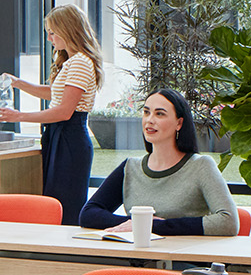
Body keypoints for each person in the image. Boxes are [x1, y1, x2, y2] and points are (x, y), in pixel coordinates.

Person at [0, 4, 103, 225]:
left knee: (65, 203)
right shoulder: (73, 61)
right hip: (62, 136)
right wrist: (18, 83)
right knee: (56, 199)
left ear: (68, 29)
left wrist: (19, 116)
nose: (50, 38)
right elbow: (56, 93)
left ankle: (63, 252)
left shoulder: (80, 62)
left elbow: (63, 112)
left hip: (69, 136)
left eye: (53, 32)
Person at [77, 88, 238, 236]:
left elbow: (228, 221)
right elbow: (88, 214)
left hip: (182, 261)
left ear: (179, 123)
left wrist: (155, 226)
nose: (150, 120)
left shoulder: (201, 166)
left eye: (160, 114)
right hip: (136, 259)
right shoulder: (130, 167)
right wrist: (135, 225)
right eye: (146, 112)